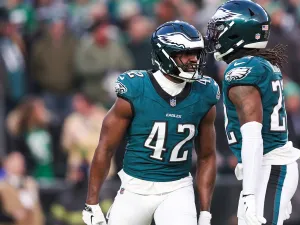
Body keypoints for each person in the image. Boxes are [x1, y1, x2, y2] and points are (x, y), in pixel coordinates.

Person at [205, 1, 300, 225]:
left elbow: (253, 136)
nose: (215, 36)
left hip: (269, 167)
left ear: (237, 32)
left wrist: (249, 193)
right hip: (268, 166)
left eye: (220, 29)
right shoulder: (260, 65)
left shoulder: (242, 71)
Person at [81, 20, 219, 225]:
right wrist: (91, 203)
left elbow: (207, 156)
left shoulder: (204, 93)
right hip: (134, 187)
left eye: (196, 53)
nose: (194, 60)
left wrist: (205, 212)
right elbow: (105, 148)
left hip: (177, 188)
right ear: (165, 55)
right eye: (186, 53)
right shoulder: (137, 88)